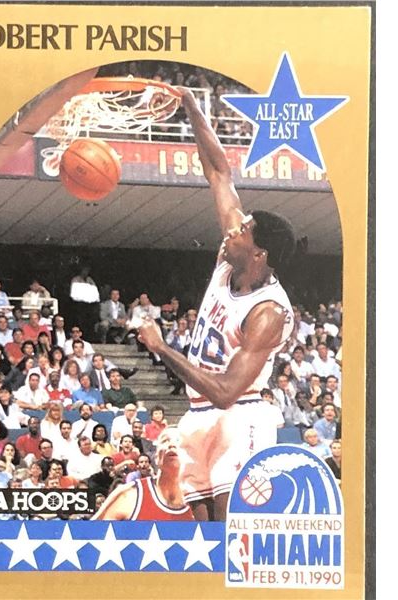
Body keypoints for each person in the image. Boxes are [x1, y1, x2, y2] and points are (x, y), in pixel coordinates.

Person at [137, 88, 296, 521]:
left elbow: (226, 392)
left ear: (259, 253)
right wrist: (191, 106)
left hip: (239, 416)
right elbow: (219, 173)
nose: (233, 229)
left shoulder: (268, 312)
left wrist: (160, 347)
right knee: (201, 536)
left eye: (244, 230)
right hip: (198, 412)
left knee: (232, 532)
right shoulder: (230, 256)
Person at [92, 427, 194, 521]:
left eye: (179, 441)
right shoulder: (130, 494)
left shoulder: (200, 499)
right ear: (156, 456)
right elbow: (91, 531)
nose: (172, 444)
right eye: (165, 440)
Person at [70, 266, 100, 340]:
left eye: (87, 271)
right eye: (84, 270)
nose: (86, 272)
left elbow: (94, 290)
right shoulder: (76, 279)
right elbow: (74, 292)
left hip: (89, 305)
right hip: (79, 305)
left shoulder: (90, 280)